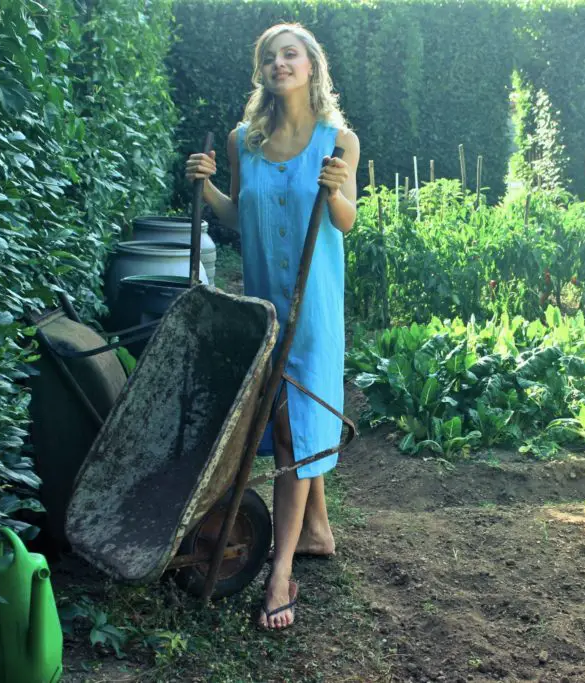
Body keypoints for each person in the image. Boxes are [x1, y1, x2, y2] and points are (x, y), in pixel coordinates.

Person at [185, 22, 359, 631]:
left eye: (291, 55)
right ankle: (316, 530)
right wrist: (206, 189)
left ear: (312, 67)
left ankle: (280, 570)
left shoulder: (338, 139)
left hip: (312, 308)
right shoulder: (244, 140)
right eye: (270, 57)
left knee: (291, 428)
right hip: (264, 307)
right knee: (285, 420)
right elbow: (240, 211)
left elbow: (346, 221)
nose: (280, 64)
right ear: (261, 72)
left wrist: (336, 191)